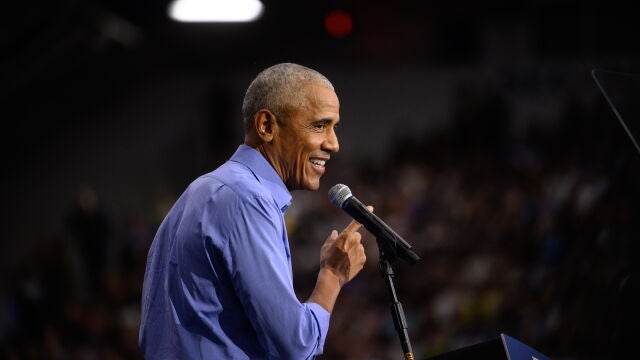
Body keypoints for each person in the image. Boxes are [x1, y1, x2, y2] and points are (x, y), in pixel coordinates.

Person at [139, 63, 369, 359]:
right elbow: (294, 347)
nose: (334, 143)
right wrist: (332, 275)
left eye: (334, 127)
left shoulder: (204, 190)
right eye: (319, 125)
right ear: (266, 126)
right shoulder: (247, 200)